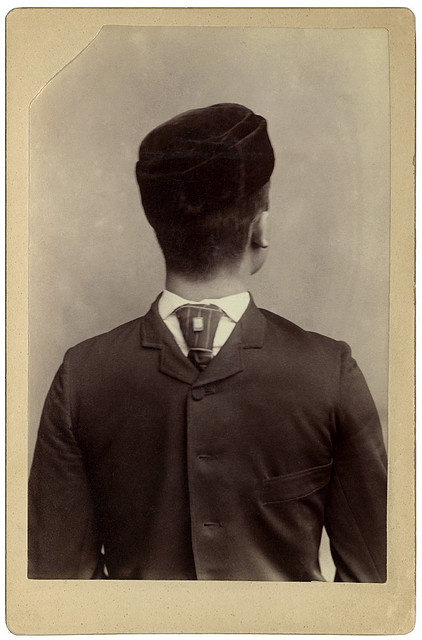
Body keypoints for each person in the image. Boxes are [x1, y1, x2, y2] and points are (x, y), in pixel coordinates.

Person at [28, 103, 387, 581]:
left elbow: (57, 587)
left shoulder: (82, 375)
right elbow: (376, 586)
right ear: (260, 228)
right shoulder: (329, 370)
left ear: (157, 228)